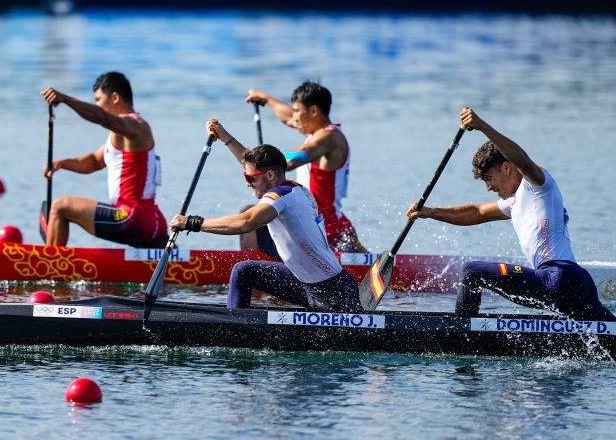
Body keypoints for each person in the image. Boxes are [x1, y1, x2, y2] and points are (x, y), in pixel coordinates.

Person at [408, 107, 614, 320]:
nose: (488, 187)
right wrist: (430, 212)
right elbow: (477, 212)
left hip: (557, 277)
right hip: (577, 283)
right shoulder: (514, 202)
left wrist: (482, 126)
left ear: (507, 167)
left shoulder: (537, 185)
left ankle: (460, 333)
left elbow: (523, 161)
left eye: (489, 178)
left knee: (471, 272)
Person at [169, 118, 362, 311]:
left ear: (270, 175)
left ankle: (233, 329)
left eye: (250, 179)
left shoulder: (282, 196)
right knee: (244, 271)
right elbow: (252, 165)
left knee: (243, 268)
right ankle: (237, 325)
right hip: (310, 284)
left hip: (334, 293)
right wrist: (225, 137)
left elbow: (246, 222)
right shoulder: (296, 189)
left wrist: (192, 223)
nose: (247, 183)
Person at [40, 72, 167, 248]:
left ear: (115, 98)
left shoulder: (136, 126)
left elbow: (102, 117)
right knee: (168, 269)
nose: (97, 105)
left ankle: (48, 266)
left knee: (60, 207)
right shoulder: (122, 136)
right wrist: (61, 164)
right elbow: (93, 161)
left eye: (98, 100)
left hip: (131, 217)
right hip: (154, 223)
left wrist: (65, 99)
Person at [245, 81, 366, 253]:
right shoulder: (316, 130)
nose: (294, 118)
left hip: (326, 229)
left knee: (252, 214)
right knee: (253, 212)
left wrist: (265, 159)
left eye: (297, 111)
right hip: (316, 221)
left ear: (314, 111)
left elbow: (292, 162)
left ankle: (254, 267)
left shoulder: (328, 139)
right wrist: (266, 99)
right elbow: (287, 117)